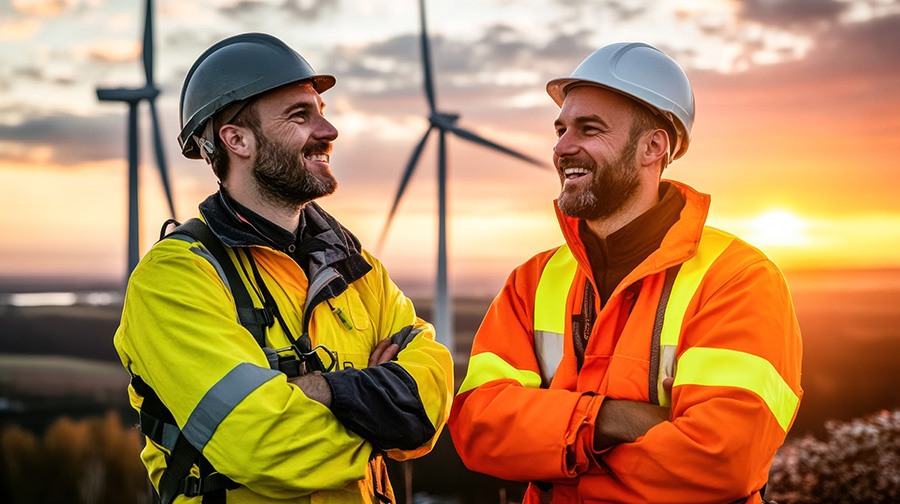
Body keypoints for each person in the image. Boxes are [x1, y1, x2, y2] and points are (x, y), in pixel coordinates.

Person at [448, 42, 802, 503]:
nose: (561, 147)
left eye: (588, 129)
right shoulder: (531, 282)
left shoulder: (738, 279)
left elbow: (720, 461)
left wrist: (554, 448)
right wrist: (612, 420)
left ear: (653, 146)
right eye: (560, 130)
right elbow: (477, 430)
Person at [113, 33, 453, 504]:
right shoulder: (175, 279)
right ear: (237, 139)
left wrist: (320, 391)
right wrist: (378, 416)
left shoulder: (357, 268)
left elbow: (430, 399)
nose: (328, 130)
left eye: (322, 110)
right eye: (300, 115)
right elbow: (262, 444)